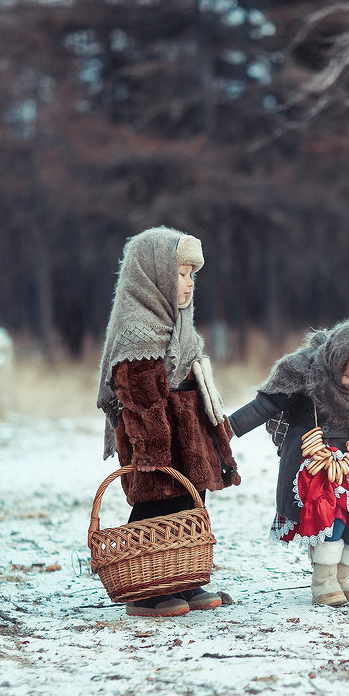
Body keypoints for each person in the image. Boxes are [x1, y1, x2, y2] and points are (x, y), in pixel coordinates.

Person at [95, 226, 240, 617]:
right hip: (155, 442)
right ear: (152, 276)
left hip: (189, 437)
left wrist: (211, 432)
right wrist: (153, 445)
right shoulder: (138, 330)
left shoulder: (181, 327)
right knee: (156, 505)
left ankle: (183, 578)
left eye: (193, 275)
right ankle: (143, 588)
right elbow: (138, 395)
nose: (189, 284)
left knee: (190, 506)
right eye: (180, 274)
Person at [228, 318, 349, 607]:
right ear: (336, 363)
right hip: (311, 467)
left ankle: (342, 577)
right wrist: (229, 427)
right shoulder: (305, 373)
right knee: (326, 520)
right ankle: (323, 580)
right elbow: (266, 405)